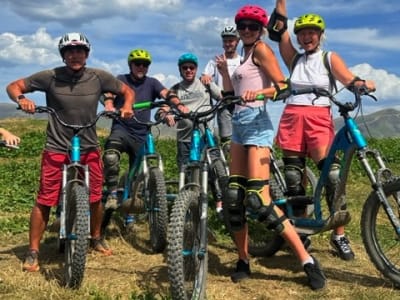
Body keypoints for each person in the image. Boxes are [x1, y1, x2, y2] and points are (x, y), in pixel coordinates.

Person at [6, 32, 135, 272]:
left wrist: (126, 106)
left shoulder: (99, 77)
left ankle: (95, 238)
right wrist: (22, 98)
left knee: (95, 196)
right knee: (45, 199)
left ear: (86, 54)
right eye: (69, 51)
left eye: (79, 51)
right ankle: (33, 250)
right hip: (56, 145)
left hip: (88, 146)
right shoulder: (50, 76)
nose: (75, 55)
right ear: (63, 55)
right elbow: (13, 86)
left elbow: (127, 91)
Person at [218, 4, 326, 290]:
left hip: (257, 123)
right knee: (233, 198)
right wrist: (224, 73)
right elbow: (231, 96)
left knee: (259, 199)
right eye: (242, 27)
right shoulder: (242, 55)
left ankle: (306, 260)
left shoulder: (263, 50)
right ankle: (243, 259)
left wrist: (261, 92)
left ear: (261, 30)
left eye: (252, 27)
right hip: (240, 124)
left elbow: (283, 86)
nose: (246, 31)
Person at [268, 0, 376, 261]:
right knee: (294, 179)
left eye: (311, 33)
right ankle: (301, 231)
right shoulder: (294, 60)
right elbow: (276, 30)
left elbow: (348, 79)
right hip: (293, 117)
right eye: (302, 33)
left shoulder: (329, 58)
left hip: (318, 119)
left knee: (333, 177)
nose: (306, 37)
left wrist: (363, 84)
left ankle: (338, 235)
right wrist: (281, 2)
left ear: (320, 35)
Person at [102, 48, 184, 228]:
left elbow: (166, 94)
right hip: (121, 128)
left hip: (141, 133)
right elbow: (109, 93)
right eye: (137, 64)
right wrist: (109, 104)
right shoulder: (121, 80)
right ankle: (113, 194)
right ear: (130, 65)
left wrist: (177, 106)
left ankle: (130, 214)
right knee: (110, 156)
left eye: (145, 64)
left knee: (137, 174)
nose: (141, 67)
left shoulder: (152, 83)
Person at [200, 26, 241, 156]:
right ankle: (227, 169)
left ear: (237, 42)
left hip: (241, 103)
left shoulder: (242, 60)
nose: (228, 44)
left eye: (231, 40)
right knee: (227, 141)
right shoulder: (215, 61)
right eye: (225, 41)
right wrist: (205, 77)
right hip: (223, 104)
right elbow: (204, 76)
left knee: (243, 139)